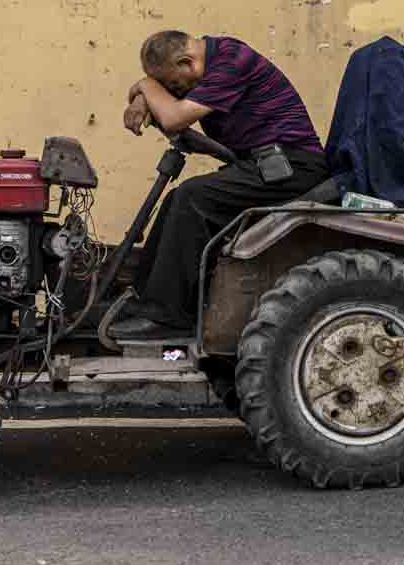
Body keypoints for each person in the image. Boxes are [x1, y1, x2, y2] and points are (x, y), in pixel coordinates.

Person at [111, 29, 331, 340]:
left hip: (293, 167)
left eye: (175, 84)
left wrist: (147, 88)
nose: (176, 91)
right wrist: (140, 101)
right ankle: (143, 302)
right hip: (262, 165)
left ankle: (168, 316)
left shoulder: (230, 61)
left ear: (187, 62)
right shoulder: (204, 63)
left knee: (191, 198)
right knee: (178, 199)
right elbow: (147, 91)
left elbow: (172, 117)